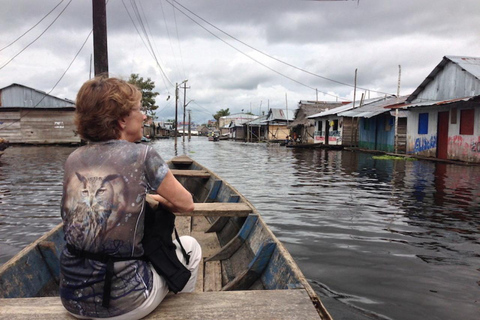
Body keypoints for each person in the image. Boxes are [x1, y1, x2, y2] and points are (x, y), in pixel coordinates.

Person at [59, 76, 202, 320]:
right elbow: (186, 203)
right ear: (122, 119)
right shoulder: (143, 154)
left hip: (71, 298)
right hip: (126, 301)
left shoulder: (74, 158)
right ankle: (182, 313)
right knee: (192, 247)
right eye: (139, 109)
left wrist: (147, 199)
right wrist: (156, 199)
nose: (144, 116)